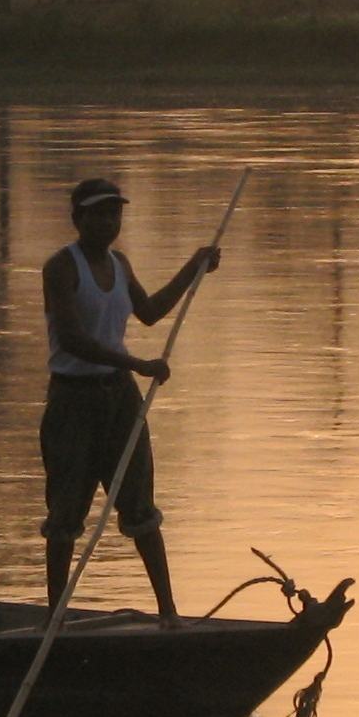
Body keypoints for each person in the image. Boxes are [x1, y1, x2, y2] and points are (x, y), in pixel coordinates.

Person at [39, 175, 217, 621]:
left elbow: (150, 312)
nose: (108, 222)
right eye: (98, 214)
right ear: (78, 219)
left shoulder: (119, 264)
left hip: (119, 399)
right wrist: (136, 362)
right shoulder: (61, 267)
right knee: (65, 512)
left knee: (139, 505)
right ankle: (55, 620)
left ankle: (169, 613)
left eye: (114, 213)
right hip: (73, 402)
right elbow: (72, 339)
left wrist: (193, 268)